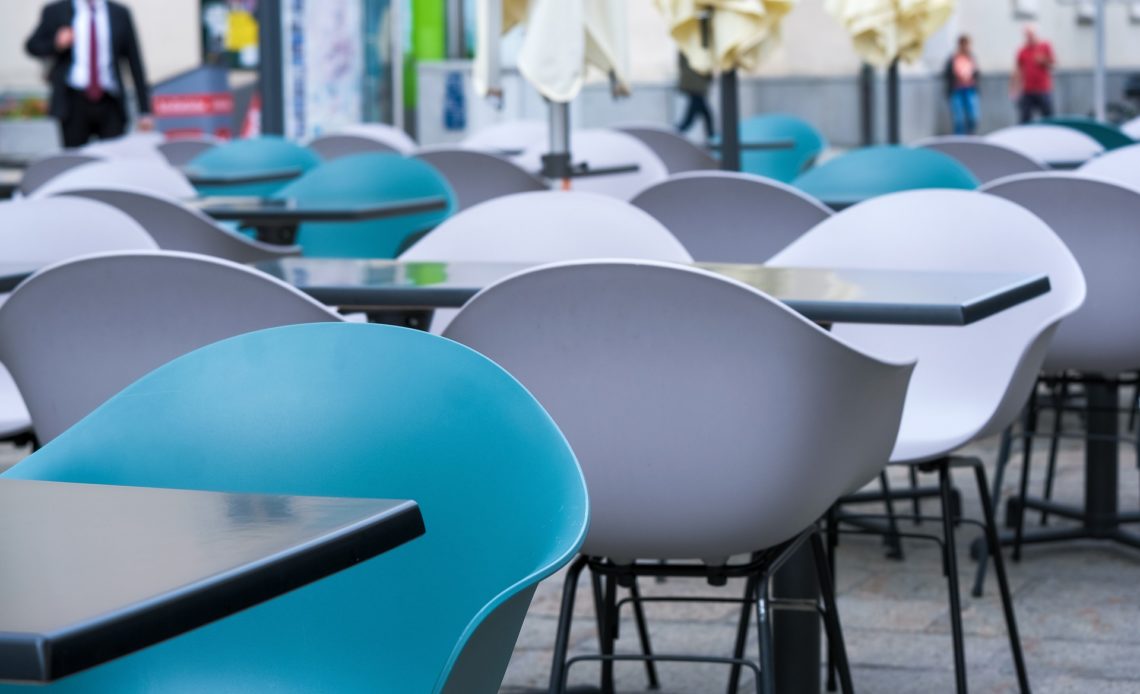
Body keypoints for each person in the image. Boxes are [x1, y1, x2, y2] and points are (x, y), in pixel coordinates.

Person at [25, 0, 154, 148]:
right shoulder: (57, 10)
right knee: (75, 163)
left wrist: (144, 111)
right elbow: (32, 46)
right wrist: (56, 44)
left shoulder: (119, 13)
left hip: (110, 101)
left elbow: (135, 61)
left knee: (114, 162)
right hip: (73, 101)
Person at [1012, 24, 1055, 124]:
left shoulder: (1045, 46)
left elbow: (1053, 64)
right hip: (1028, 90)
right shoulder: (1022, 50)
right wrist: (1014, 88)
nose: (1029, 37)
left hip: (1043, 89)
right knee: (1024, 118)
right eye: (1027, 35)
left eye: (1031, 34)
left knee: (1048, 117)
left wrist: (1043, 61)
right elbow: (1018, 70)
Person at [944, 34, 980, 135]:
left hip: (969, 89)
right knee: (958, 119)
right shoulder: (953, 58)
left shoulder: (971, 58)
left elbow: (976, 73)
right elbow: (948, 74)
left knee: (973, 117)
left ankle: (971, 136)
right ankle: (959, 138)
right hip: (957, 90)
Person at [675, 53, 715, 140]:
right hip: (695, 86)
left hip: (695, 86)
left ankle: (675, 132)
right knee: (699, 115)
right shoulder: (693, 51)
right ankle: (675, 133)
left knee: (700, 114)